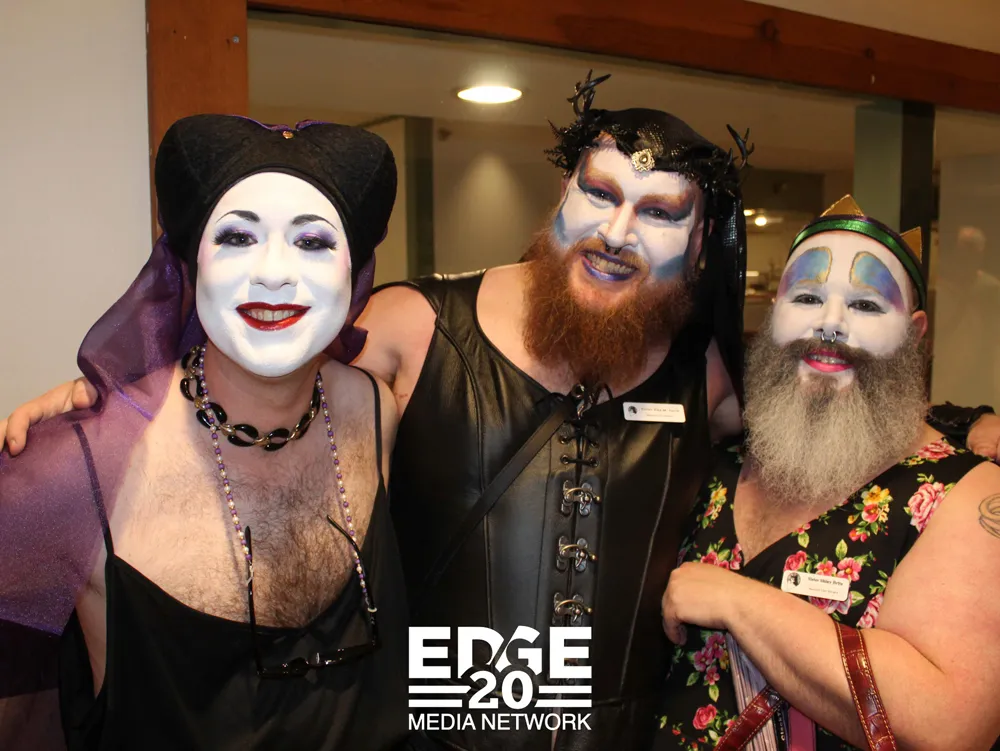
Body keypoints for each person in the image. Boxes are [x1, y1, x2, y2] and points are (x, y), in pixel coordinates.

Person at [3, 75, 998, 751]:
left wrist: (971, 437)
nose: (616, 232)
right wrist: (121, 394)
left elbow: (838, 409)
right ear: (559, 198)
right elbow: (271, 351)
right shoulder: (412, 327)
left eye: (658, 213)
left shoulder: (709, 381)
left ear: (699, 248)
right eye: (599, 193)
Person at [0, 115, 409, 751]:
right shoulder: (70, 467)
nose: (273, 273)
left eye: (312, 242)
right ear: (189, 264)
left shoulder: (374, 411)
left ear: (356, 272)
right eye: (238, 237)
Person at [657, 196, 1000, 750]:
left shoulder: (964, 494)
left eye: (866, 305)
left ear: (914, 334)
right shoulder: (726, 453)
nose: (830, 324)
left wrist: (737, 601)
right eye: (808, 297)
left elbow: (950, 727)